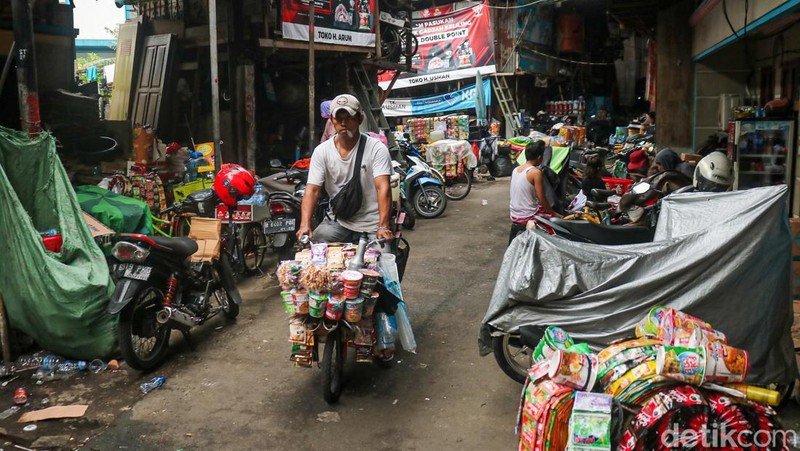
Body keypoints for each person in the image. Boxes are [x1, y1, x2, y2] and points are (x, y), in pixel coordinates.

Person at [297, 94, 395, 244]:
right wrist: (305, 224)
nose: (343, 123)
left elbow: (383, 187)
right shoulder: (321, 152)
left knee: (383, 256)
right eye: (338, 118)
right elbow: (312, 190)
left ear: (360, 119)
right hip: (340, 220)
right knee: (316, 248)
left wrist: (383, 226)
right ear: (331, 120)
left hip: (373, 223)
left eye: (348, 117)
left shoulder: (377, 149)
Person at [508, 140, 562, 244]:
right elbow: (542, 198)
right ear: (539, 157)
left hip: (514, 214)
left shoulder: (516, 170)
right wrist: (554, 213)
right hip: (527, 215)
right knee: (557, 224)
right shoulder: (536, 172)